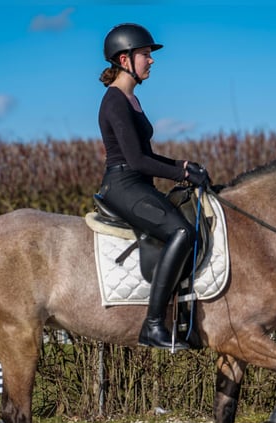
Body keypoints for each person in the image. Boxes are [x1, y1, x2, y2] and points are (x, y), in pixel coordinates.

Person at [97, 23, 210, 351]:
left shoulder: (131, 99)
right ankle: (153, 325)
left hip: (137, 182)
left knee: (192, 226)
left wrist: (183, 167)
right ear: (124, 59)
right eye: (145, 54)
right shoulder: (115, 101)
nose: (151, 60)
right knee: (181, 233)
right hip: (122, 184)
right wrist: (182, 174)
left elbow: (145, 155)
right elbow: (135, 160)